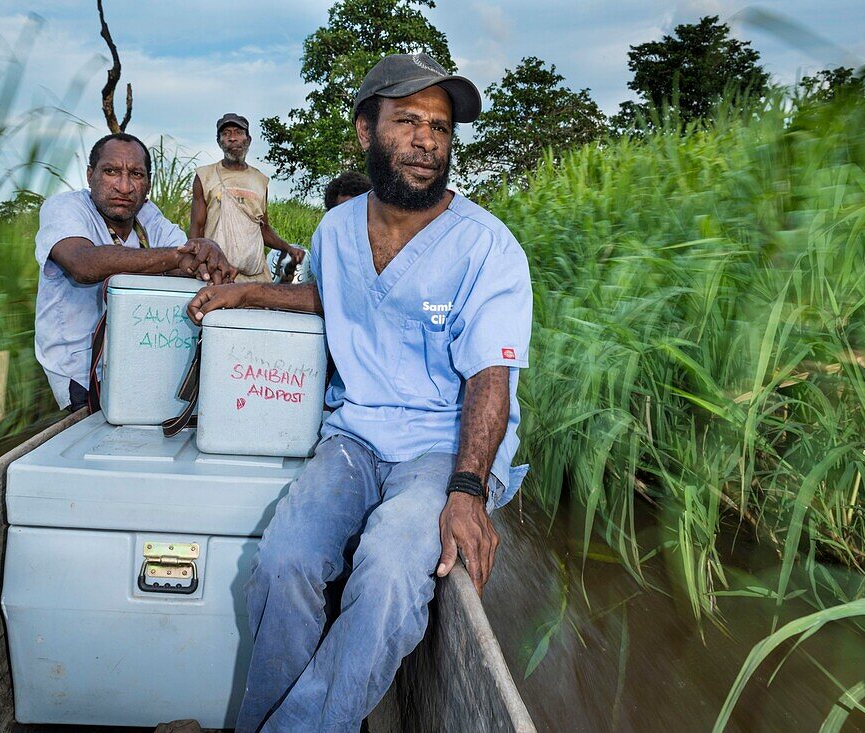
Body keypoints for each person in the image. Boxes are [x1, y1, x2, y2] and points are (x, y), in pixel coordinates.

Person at [187, 53, 532, 732]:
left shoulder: (487, 248)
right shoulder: (336, 230)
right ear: (364, 131)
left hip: (440, 448)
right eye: (407, 121)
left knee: (388, 573)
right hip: (352, 438)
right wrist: (247, 290)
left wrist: (467, 488)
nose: (427, 139)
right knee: (281, 562)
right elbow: (326, 298)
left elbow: (492, 375)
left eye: (439, 126)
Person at [34, 132, 236, 412]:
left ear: (148, 184)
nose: (125, 186)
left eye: (136, 174)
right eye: (111, 172)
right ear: (90, 175)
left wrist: (206, 256)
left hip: (136, 363)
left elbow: (186, 256)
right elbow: (83, 264)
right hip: (80, 371)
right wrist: (178, 258)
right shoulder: (66, 208)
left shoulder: (147, 215)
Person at [190, 113, 305, 282]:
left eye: (238, 132)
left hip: (256, 277)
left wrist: (288, 248)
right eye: (226, 134)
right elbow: (196, 229)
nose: (232, 138)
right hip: (218, 275)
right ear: (219, 142)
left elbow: (264, 230)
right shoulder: (205, 176)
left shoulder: (260, 181)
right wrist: (199, 265)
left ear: (248, 140)